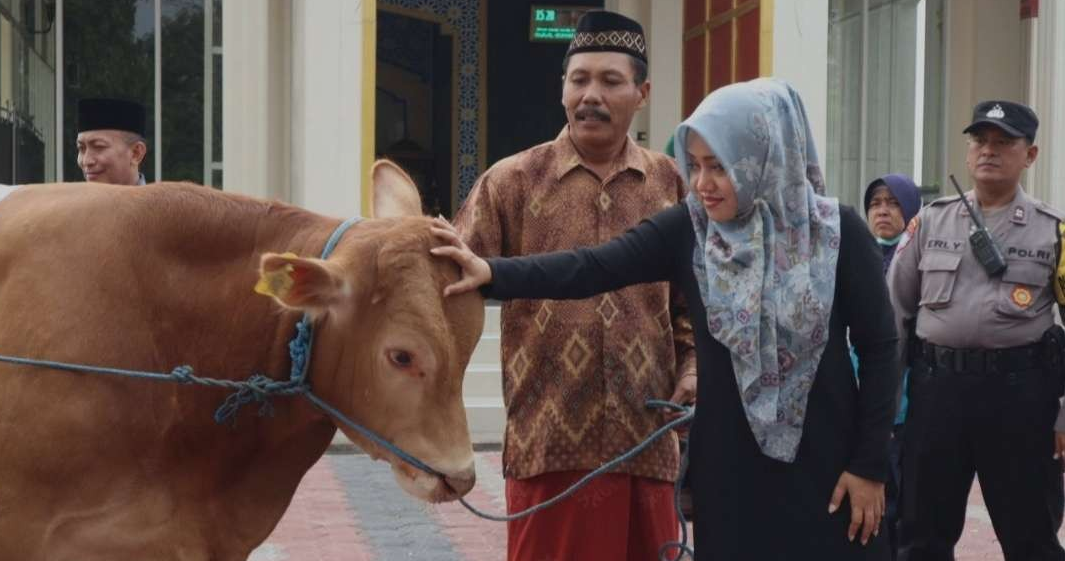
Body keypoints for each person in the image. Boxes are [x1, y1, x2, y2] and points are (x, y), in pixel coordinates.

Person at [436, 77, 898, 560]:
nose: (702, 184)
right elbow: (593, 266)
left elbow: (881, 349)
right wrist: (491, 272)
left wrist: (870, 465)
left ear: (764, 157)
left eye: (719, 167)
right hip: (731, 476)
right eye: (695, 165)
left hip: (832, 470)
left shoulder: (836, 233)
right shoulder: (691, 230)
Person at [452, 10, 696, 560]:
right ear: (562, 87)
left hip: (647, 439)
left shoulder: (671, 183)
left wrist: (694, 367)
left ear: (643, 92)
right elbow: (452, 284)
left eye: (610, 81)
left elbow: (693, 302)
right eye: (578, 78)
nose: (591, 94)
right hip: (547, 444)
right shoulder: (510, 182)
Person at [888, 100, 1065, 561]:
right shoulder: (929, 222)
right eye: (979, 141)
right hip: (937, 393)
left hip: (1020, 397)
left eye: (1003, 142)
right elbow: (895, 314)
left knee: (1031, 534)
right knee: (921, 533)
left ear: (1031, 155)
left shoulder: (1055, 233)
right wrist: (886, 409)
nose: (988, 151)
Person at [861, 173, 922, 559]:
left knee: (906, 506)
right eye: (875, 203)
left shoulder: (921, 256)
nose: (882, 211)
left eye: (893, 202)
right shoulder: (854, 256)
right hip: (861, 403)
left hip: (909, 407)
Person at [76, 98, 148, 185]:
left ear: (136, 153)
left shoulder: (159, 199)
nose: (86, 161)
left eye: (99, 147)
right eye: (81, 148)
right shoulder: (69, 198)